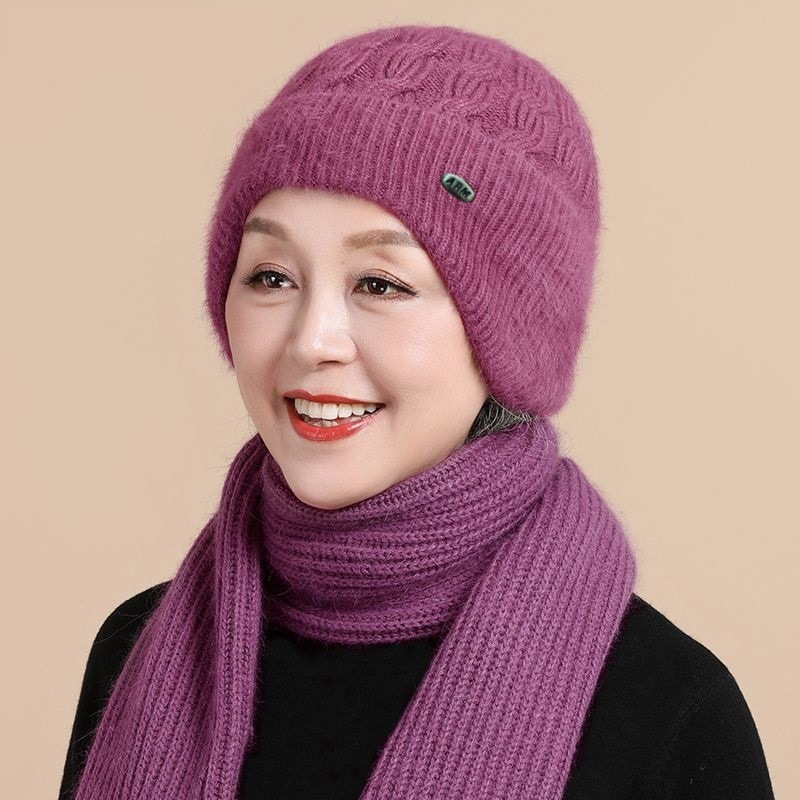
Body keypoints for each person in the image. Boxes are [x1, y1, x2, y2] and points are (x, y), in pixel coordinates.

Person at [58, 23, 775, 800]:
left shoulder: (669, 715)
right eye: (271, 276)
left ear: (512, 334)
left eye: (381, 284)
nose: (311, 341)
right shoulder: (136, 653)